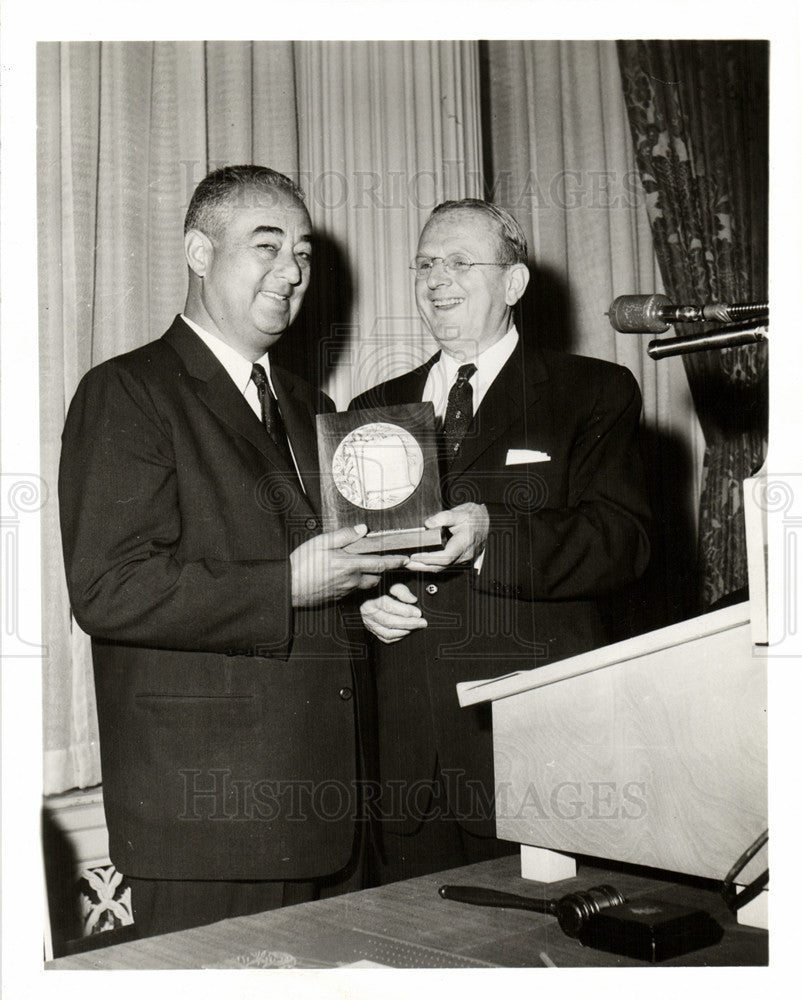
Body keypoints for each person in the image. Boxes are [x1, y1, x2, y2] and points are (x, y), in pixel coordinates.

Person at [58, 165, 408, 937]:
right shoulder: (127, 393)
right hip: (211, 836)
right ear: (198, 252)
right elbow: (109, 588)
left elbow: (317, 576)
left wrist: (362, 597)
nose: (293, 271)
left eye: (305, 254)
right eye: (267, 246)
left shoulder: (312, 408)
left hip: (333, 823)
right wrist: (287, 585)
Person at [350, 199, 651, 883]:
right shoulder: (372, 410)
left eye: (459, 262)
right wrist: (364, 606)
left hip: (534, 755)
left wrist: (493, 537)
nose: (435, 279)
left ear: (514, 284)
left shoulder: (591, 392)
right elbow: (353, 554)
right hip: (408, 767)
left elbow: (625, 541)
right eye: (425, 263)